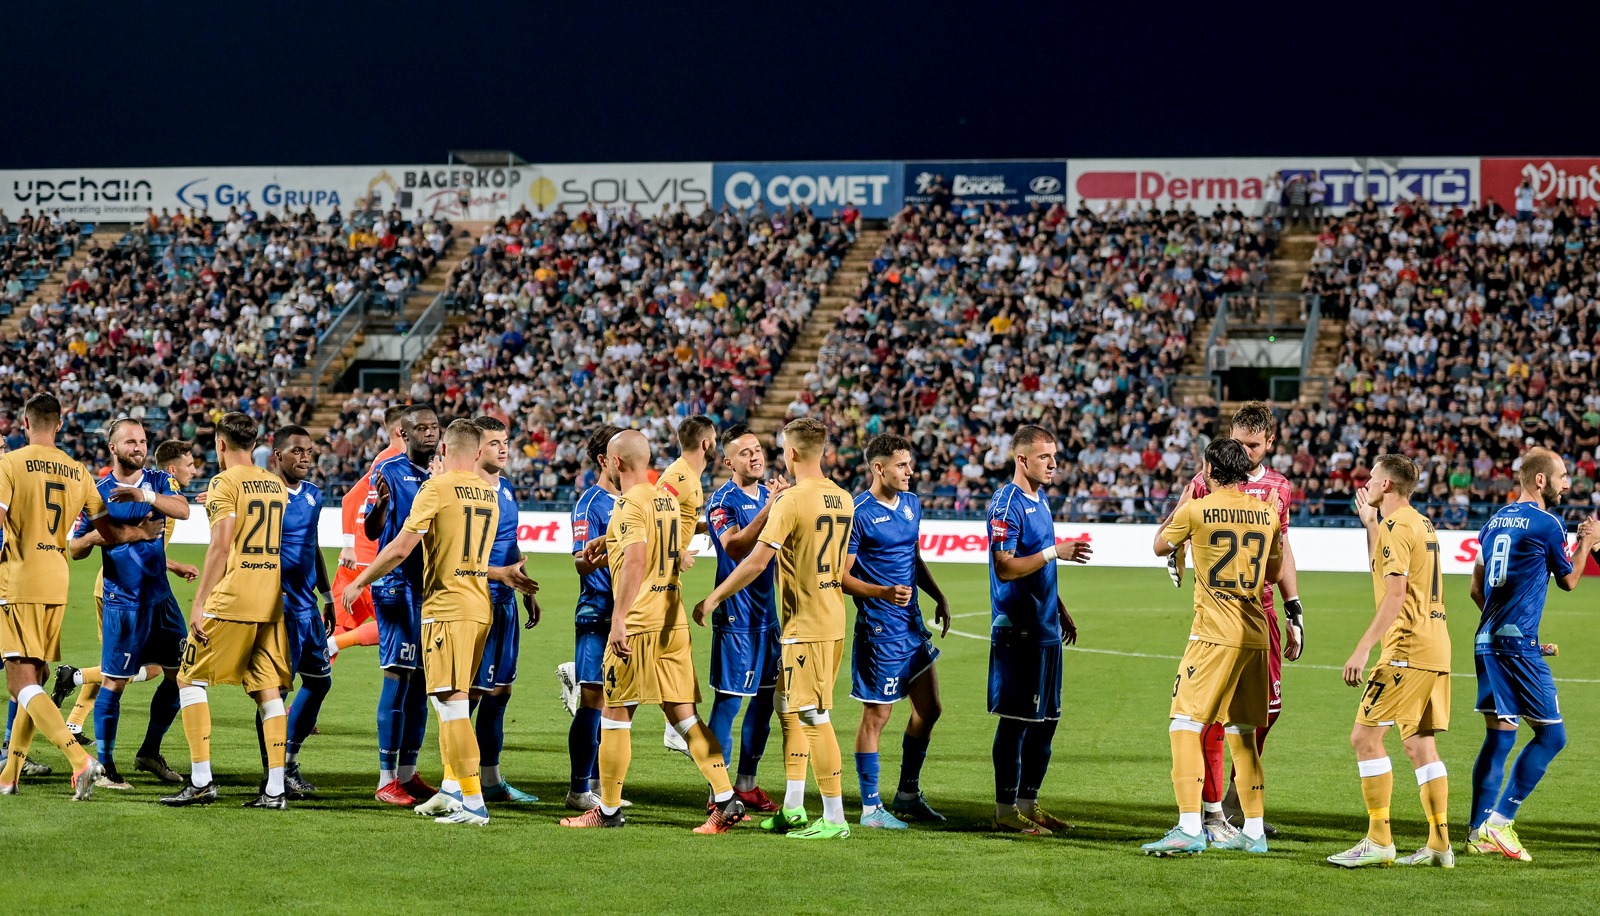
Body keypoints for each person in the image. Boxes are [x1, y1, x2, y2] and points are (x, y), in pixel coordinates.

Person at [561, 429, 745, 834]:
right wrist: (606, 539)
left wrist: (619, 619)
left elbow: (637, 558)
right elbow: (666, 543)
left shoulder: (627, 503)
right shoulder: (662, 496)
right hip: (672, 619)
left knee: (615, 716)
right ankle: (726, 796)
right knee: (685, 717)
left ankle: (607, 810)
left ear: (616, 462)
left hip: (640, 623)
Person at [694, 418, 856, 840]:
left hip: (804, 625)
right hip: (830, 616)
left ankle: (835, 818)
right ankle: (793, 806)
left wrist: (712, 598)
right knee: (789, 710)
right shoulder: (843, 498)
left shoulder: (789, 500)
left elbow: (754, 562)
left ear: (793, 453)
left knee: (813, 716)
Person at [343, 420, 508, 826]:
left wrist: (359, 580)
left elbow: (400, 547)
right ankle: (454, 793)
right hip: (478, 605)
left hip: (446, 607)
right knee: (452, 705)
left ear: (448, 450)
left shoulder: (435, 488)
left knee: (451, 709)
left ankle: (473, 804)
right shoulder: (490, 494)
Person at [1165, 401, 1302, 838]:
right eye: (1238, 445)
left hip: (1261, 612)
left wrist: (1293, 606)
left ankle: (1234, 808)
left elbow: (1283, 553)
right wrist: (1178, 555)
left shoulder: (1279, 488)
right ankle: (1214, 814)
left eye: (1253, 446)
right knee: (1212, 719)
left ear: (1269, 443)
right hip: (1221, 613)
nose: (1245, 454)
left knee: (1265, 714)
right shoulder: (1203, 484)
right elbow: (1177, 529)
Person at [1145, 438, 1283, 856]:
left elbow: (1159, 546)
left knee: (1184, 723)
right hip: (1257, 634)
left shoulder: (1196, 508)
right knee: (1242, 731)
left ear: (1209, 468)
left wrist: (1182, 503)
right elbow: (1274, 569)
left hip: (1213, 634)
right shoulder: (1268, 511)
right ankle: (1254, 832)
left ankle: (1189, 826)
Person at [1465, 449, 1596, 860]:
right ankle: (1500, 823)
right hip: (1514, 645)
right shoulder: (1546, 523)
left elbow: (1477, 589)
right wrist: (1588, 542)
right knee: (1552, 735)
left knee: (1500, 738)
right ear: (1540, 480)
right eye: (1562, 476)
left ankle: (1475, 832)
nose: (1567, 483)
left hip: (1487, 640)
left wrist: (1514, 633)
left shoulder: (1492, 522)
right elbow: (1570, 581)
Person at [0, 394, 133, 798]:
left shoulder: (9, 463)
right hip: (57, 580)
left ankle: (78, 759)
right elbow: (105, 528)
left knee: (18, 680)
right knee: (35, 678)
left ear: (25, 422)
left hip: (19, 578)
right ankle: (10, 776)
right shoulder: (78, 471)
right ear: (58, 425)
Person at [159, 412, 292, 809]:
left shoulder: (223, 482)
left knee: (188, 678)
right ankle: (275, 789)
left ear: (220, 444)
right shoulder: (275, 484)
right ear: (254, 444)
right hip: (270, 599)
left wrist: (199, 603)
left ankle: (200, 781)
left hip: (233, 596)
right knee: (269, 691)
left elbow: (219, 546)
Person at [1328, 455, 1454, 867]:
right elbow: (1384, 574)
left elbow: (1395, 596)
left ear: (1385, 485)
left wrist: (1363, 647)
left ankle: (1379, 839)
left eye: (1372, 477)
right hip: (1436, 646)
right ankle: (1439, 845)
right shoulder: (1420, 524)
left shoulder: (1397, 528)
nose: (1366, 483)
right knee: (1420, 745)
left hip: (1406, 650)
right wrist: (1370, 525)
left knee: (1365, 739)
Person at [55, 437, 200, 785]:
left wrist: (144, 498)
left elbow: (183, 509)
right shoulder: (98, 490)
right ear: (112, 446)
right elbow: (75, 547)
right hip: (122, 600)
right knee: (115, 681)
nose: (138, 447)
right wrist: (116, 535)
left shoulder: (159, 481)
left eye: (143, 441)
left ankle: (149, 751)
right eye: (130, 441)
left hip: (162, 601)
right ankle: (105, 767)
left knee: (179, 675)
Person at [841, 433, 951, 829]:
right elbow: (841, 576)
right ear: (879, 468)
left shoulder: (911, 504)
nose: (910, 472)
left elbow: (913, 555)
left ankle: (907, 794)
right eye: (902, 465)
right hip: (879, 630)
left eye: (909, 464)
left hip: (911, 626)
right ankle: (871, 808)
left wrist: (937, 594)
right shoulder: (859, 511)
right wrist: (883, 591)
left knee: (930, 709)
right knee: (877, 716)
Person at [987, 425, 1092, 835]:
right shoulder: (1006, 504)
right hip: (1019, 631)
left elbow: (1039, 566)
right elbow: (1004, 565)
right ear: (1022, 459)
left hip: (1046, 628)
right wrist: (1055, 551)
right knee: (1015, 722)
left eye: (1054, 455)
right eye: (1044, 456)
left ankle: (1028, 803)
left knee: (1047, 721)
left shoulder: (1041, 499)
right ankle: (1003, 810)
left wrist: (1060, 608)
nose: (1053, 463)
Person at [698, 424, 786, 813]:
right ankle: (717, 791)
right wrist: (771, 509)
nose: (755, 456)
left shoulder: (769, 494)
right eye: (745, 452)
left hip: (768, 617)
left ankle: (746, 784)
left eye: (758, 450)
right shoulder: (722, 500)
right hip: (736, 616)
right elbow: (734, 547)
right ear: (727, 460)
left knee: (766, 702)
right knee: (730, 703)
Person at [363, 405, 441, 805]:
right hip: (397, 586)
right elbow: (372, 530)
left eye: (434, 427)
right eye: (421, 428)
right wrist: (380, 506)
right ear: (403, 433)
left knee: (425, 682)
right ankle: (385, 779)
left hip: (434, 589)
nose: (429, 433)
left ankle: (408, 775)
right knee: (398, 675)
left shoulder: (445, 472)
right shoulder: (388, 472)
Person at [463, 416, 540, 804]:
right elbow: (455, 558)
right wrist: (501, 574)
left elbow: (509, 543)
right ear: (477, 449)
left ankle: (491, 781)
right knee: (471, 695)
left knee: (501, 692)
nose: (504, 449)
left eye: (506, 441)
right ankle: (462, 782)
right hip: (476, 603)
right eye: (495, 443)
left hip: (507, 602)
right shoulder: (466, 492)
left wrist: (524, 586)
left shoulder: (506, 488)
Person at [558, 424, 622, 811]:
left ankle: (601, 788)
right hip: (598, 612)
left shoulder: (635, 501)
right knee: (595, 700)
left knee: (617, 703)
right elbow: (581, 560)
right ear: (604, 460)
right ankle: (579, 790)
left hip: (628, 613)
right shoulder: (590, 504)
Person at [270, 426, 336, 797]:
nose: (306, 457)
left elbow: (311, 545)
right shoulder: (263, 492)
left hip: (308, 608)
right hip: (278, 610)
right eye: (297, 451)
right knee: (274, 693)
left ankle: (289, 760)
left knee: (319, 682)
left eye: (309, 451)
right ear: (278, 455)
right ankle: (274, 773)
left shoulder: (312, 494)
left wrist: (326, 595)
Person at [656, 415, 716, 756]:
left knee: (671, 651)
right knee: (673, 650)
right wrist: (676, 551)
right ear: (706, 443)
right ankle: (585, 678)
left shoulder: (689, 476)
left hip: (667, 578)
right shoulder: (679, 476)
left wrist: (702, 528)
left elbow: (677, 517)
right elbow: (655, 514)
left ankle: (674, 725)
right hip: (658, 578)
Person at [329, 406, 408, 654]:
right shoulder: (396, 462)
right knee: (402, 625)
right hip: (375, 561)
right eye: (419, 427)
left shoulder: (382, 459)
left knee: (333, 626)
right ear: (401, 430)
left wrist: (349, 546)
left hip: (355, 561)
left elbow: (350, 498)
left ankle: (284, 685)